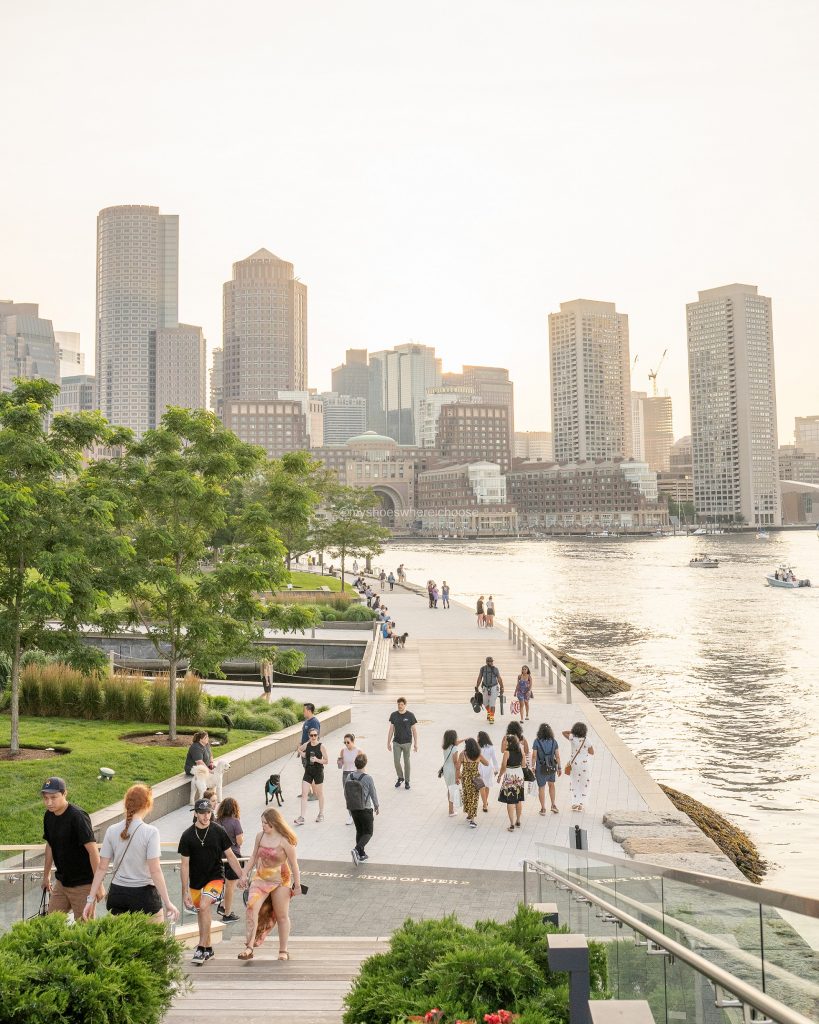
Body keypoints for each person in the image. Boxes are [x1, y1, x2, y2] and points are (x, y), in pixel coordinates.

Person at [83, 784, 178, 925]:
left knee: (122, 942)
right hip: (144, 895)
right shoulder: (151, 832)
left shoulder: (111, 830)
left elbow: (101, 868)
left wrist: (90, 900)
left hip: (118, 895)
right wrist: (168, 902)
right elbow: (155, 870)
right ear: (148, 805)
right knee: (153, 943)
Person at [179, 799, 247, 965]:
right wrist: (184, 891)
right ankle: (208, 949)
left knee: (204, 906)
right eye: (202, 813)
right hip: (195, 881)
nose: (206, 816)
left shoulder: (218, 830)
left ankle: (201, 947)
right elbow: (184, 865)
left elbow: (230, 856)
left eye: (208, 812)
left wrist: (242, 875)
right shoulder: (187, 835)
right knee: (202, 913)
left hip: (215, 877)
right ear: (195, 813)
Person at [239, 808, 301, 961]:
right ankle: (249, 947)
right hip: (261, 877)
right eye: (262, 822)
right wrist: (244, 874)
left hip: (280, 879)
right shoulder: (260, 837)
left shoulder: (285, 840)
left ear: (274, 823)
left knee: (281, 915)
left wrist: (297, 885)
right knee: (251, 907)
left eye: (266, 823)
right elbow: (253, 856)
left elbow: (294, 865)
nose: (263, 826)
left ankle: (283, 950)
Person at [41, 777, 101, 920]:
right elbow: (50, 845)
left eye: (54, 797)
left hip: (83, 885)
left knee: (85, 931)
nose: (49, 802)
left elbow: (93, 851)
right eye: (46, 798)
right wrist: (46, 875)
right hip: (61, 883)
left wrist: (98, 885)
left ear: (64, 794)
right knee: (51, 925)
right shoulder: (49, 815)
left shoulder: (78, 816)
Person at [345, 753, 380, 865]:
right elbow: (373, 793)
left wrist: (349, 807)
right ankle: (356, 850)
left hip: (354, 808)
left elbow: (346, 792)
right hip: (365, 809)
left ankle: (361, 854)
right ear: (365, 763)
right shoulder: (368, 778)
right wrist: (376, 806)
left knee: (359, 831)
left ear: (355, 764)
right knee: (368, 832)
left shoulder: (349, 777)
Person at [216, 797, 244, 922]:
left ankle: (223, 905)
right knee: (230, 887)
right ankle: (227, 914)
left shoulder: (216, 822)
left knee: (223, 884)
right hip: (233, 856)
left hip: (218, 857)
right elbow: (239, 841)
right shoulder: (235, 822)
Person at [294, 727, 328, 825]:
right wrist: (300, 752)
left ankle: (321, 814)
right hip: (308, 771)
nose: (313, 737)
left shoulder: (321, 746)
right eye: (311, 735)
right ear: (309, 736)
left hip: (318, 771)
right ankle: (302, 817)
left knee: (319, 794)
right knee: (304, 794)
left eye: (315, 735)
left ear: (318, 736)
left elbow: (326, 760)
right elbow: (303, 753)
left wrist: (317, 760)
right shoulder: (307, 744)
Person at [562, 722, 595, 812]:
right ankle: (581, 804)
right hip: (585, 765)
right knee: (584, 783)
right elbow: (592, 752)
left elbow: (563, 732)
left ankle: (575, 803)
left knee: (574, 782)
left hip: (575, 764)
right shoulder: (587, 740)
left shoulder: (572, 738)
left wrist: (573, 732)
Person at [387, 697, 418, 789]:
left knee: (406, 762)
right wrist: (388, 742)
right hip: (396, 742)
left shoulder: (410, 715)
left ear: (405, 705)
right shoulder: (394, 715)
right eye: (398, 704)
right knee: (396, 761)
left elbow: (414, 730)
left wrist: (416, 743)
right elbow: (391, 729)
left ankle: (407, 781)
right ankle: (400, 777)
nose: (400, 706)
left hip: (407, 742)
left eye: (401, 704)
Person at [459, 737, 489, 829]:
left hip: (465, 778)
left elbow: (457, 766)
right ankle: (472, 820)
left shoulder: (462, 754)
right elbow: (487, 763)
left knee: (467, 795)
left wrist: (457, 776)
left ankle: (468, 814)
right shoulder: (478, 755)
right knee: (474, 798)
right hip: (475, 778)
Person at [532, 724, 562, 816]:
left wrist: (532, 767)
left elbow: (534, 756)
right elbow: (557, 756)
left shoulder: (536, 742)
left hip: (540, 768)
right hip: (551, 767)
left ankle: (543, 808)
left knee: (542, 787)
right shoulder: (554, 741)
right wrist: (559, 768)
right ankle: (553, 805)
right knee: (551, 785)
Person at [497, 735, 525, 831]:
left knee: (510, 800)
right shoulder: (520, 750)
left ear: (509, 743)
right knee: (518, 799)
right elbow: (524, 764)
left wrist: (499, 776)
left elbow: (503, 766)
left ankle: (512, 824)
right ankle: (518, 820)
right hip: (519, 775)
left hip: (510, 776)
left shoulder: (507, 752)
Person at [338, 733, 362, 825]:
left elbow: (362, 765)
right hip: (345, 774)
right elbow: (340, 766)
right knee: (347, 796)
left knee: (356, 795)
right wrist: (339, 762)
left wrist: (363, 776)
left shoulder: (358, 751)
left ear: (353, 741)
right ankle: (351, 815)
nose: (346, 744)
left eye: (348, 742)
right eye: (344, 742)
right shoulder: (343, 751)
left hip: (355, 774)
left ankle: (359, 814)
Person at [475, 656, 504, 724]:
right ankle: (489, 712)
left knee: (492, 703)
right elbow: (479, 677)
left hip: (494, 687)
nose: (491, 663)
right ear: (486, 662)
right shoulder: (482, 669)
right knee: (485, 702)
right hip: (485, 687)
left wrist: (502, 687)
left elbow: (499, 678)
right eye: (489, 661)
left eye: (491, 661)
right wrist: (477, 686)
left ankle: (491, 717)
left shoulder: (495, 669)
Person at [477, 730, 499, 813]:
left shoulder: (477, 746)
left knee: (481, 786)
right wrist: (496, 769)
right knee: (487, 785)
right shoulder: (491, 747)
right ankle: (485, 802)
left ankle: (485, 803)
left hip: (479, 768)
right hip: (488, 768)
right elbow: (494, 759)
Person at [440, 729, 461, 817]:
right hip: (452, 769)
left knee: (449, 788)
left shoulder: (445, 746)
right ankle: (451, 811)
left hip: (446, 769)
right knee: (452, 789)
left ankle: (451, 808)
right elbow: (456, 762)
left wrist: (463, 740)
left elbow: (456, 743)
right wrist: (458, 773)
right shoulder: (455, 748)